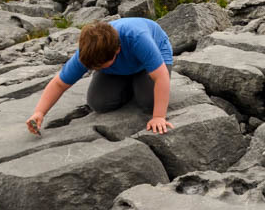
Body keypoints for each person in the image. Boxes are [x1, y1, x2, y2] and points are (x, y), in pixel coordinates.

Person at [26, 18, 175, 136]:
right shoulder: (89, 52)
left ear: (117, 50)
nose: (95, 68)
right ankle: (130, 82)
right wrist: (39, 112)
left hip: (153, 55)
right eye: (93, 67)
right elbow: (59, 84)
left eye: (100, 65)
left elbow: (161, 77)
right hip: (118, 66)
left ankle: (138, 80)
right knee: (99, 103)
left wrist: (158, 117)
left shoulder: (137, 38)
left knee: (150, 101)